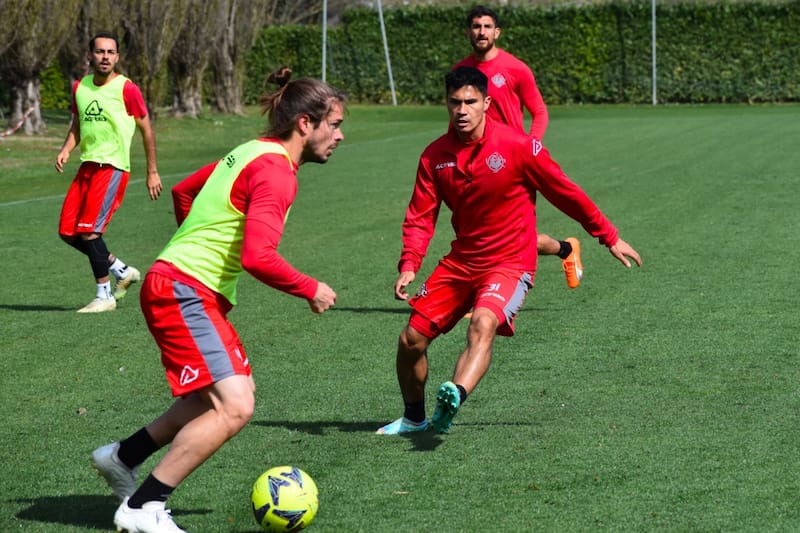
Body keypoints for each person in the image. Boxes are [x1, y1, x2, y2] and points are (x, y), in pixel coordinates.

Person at [90, 67, 345, 533]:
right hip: (184, 290)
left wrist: (194, 245)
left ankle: (120, 457)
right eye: (334, 124)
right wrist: (310, 287)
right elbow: (258, 256)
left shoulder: (252, 150)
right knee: (236, 404)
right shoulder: (277, 173)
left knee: (209, 401)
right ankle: (143, 506)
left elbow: (186, 190)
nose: (340, 135)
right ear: (305, 123)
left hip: (183, 285)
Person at [376, 66, 641, 436]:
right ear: (446, 104)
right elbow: (421, 216)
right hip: (461, 261)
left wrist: (608, 235)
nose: (462, 110)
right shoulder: (434, 156)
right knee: (410, 340)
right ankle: (414, 418)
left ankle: (454, 395)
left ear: (487, 103)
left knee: (483, 322)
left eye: (470, 102)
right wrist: (409, 263)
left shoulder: (518, 146)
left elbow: (565, 191)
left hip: (511, 262)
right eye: (455, 102)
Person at [454, 5, 583, 289]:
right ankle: (566, 249)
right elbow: (458, 118)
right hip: (475, 165)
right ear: (468, 32)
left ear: (497, 32)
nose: (481, 32)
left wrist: (531, 147)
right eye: (476, 26)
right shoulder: (460, 72)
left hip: (511, 163)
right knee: (480, 232)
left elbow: (539, 111)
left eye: (487, 26)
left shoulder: (515, 69)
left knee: (514, 238)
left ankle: (489, 295)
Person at [55, 31, 162, 313]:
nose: (105, 57)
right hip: (87, 167)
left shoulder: (127, 89)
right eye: (100, 51)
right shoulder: (80, 87)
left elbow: (147, 130)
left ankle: (104, 296)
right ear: (90, 55)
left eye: (110, 52)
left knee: (90, 233)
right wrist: (66, 148)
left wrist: (152, 171)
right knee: (69, 232)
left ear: (117, 57)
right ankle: (121, 269)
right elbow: (78, 124)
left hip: (113, 167)